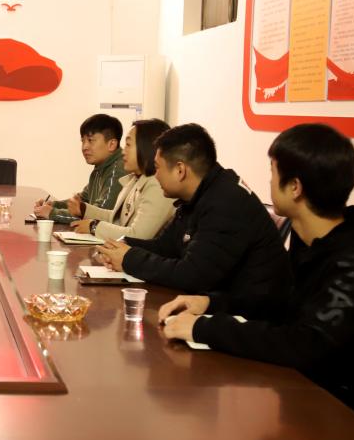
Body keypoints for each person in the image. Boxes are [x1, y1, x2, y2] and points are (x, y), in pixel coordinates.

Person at [160, 124, 354, 434]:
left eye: (273, 173)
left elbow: (305, 344)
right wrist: (210, 303)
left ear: (295, 187)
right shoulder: (311, 239)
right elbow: (280, 303)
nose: (269, 182)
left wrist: (204, 328)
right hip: (313, 400)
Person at [97, 123, 291, 312]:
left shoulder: (225, 201)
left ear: (180, 170)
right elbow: (166, 247)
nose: (155, 176)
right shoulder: (200, 192)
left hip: (252, 315)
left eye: (158, 168)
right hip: (220, 304)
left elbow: (192, 276)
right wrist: (122, 246)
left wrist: (129, 258)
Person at [70, 118, 175, 240]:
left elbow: (138, 235)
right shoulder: (135, 179)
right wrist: (84, 209)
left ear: (146, 148)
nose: (123, 151)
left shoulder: (157, 185)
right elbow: (115, 217)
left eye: (128, 145)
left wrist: (94, 227)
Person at [35, 113, 127, 223]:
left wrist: (52, 213)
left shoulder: (117, 170)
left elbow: (97, 216)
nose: (84, 147)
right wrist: (53, 205)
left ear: (111, 144)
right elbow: (82, 201)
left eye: (90, 140)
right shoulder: (101, 168)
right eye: (83, 141)